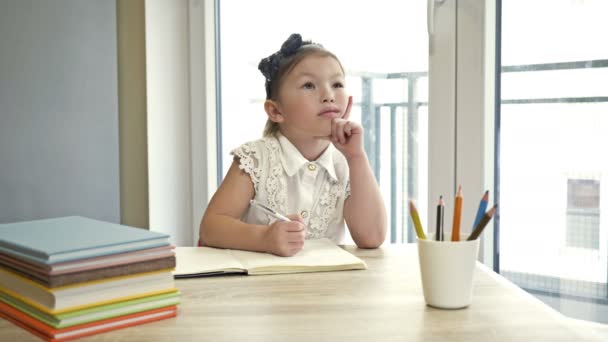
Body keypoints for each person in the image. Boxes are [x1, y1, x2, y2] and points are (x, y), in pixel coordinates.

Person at [199, 33, 386, 256]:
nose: (328, 95)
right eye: (309, 85)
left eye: (337, 84)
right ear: (276, 111)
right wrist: (264, 238)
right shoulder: (256, 158)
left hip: (326, 288)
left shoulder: (346, 163)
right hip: (260, 286)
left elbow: (371, 237)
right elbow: (210, 228)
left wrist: (357, 158)